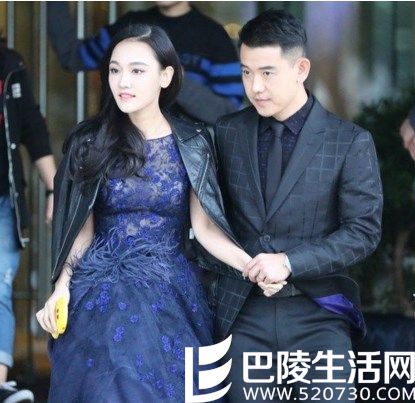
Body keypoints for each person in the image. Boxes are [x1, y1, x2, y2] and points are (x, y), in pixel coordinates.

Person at [36, 24, 281, 402]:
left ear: (166, 76)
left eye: (137, 70)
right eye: (115, 70)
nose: (123, 81)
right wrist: (61, 287)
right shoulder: (91, 141)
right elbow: (81, 229)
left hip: (168, 289)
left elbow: (205, 228)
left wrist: (251, 266)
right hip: (101, 290)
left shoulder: (194, 142)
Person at [213, 10, 383, 401]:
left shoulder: (349, 141)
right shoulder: (227, 133)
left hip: (318, 314)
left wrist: (289, 262)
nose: (255, 87)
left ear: (300, 68)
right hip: (244, 316)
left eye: (267, 73)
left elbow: (363, 232)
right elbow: (211, 220)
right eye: (246, 73)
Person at [47, 1, 244, 126]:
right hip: (124, 148)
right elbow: (73, 56)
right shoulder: (130, 26)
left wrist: (175, 78)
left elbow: (227, 116)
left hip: (188, 157)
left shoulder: (214, 37)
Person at [0, 46, 56, 402]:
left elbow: (32, 128)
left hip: (2, 199)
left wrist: (53, 188)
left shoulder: (9, 64)